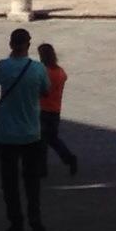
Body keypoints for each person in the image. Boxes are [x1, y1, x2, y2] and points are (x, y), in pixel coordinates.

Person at [0, 26, 50, 231]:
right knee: (32, 181)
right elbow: (46, 90)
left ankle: (16, 222)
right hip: (31, 131)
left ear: (11, 45)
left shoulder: (3, 66)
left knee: (10, 182)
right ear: (28, 45)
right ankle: (35, 219)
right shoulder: (37, 69)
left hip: (6, 133)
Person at [36, 43, 79, 177]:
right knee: (53, 139)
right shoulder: (60, 72)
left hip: (42, 110)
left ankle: (41, 169)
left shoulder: (43, 72)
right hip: (55, 110)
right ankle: (69, 158)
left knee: (41, 141)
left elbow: (40, 91)